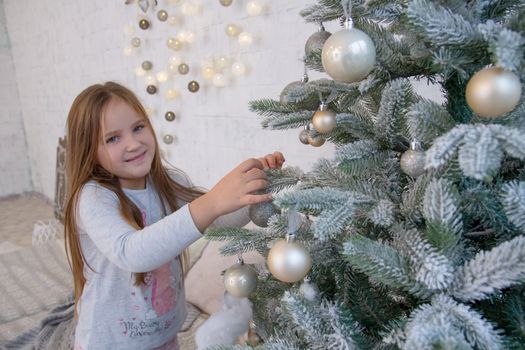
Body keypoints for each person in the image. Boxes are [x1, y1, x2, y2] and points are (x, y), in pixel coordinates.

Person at [63, 81, 285, 350]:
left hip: (165, 333)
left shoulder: (168, 182)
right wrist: (213, 200)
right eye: (113, 138)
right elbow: (133, 254)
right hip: (110, 341)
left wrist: (251, 196)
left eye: (138, 127)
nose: (133, 143)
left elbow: (213, 222)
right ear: (88, 149)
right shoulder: (93, 197)